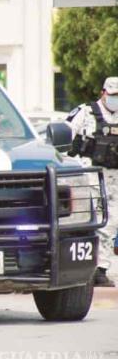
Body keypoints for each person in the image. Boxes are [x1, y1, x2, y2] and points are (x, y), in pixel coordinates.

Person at [66, 76, 118, 287]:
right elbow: (63, 135)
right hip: (90, 176)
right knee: (92, 221)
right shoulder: (86, 112)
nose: (115, 100)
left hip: (114, 179)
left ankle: (101, 268)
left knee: (111, 222)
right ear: (103, 92)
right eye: (112, 95)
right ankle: (83, 268)